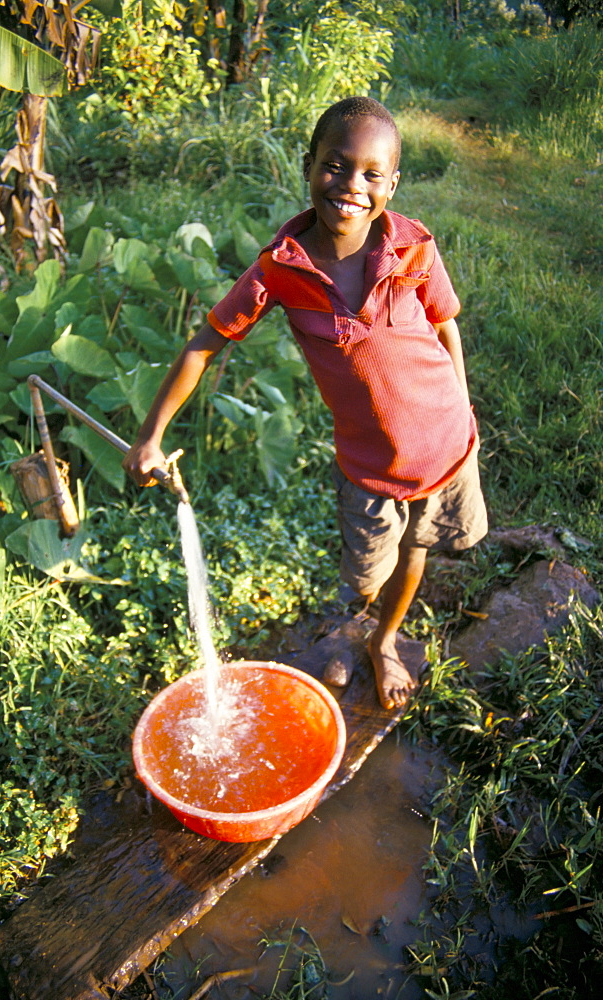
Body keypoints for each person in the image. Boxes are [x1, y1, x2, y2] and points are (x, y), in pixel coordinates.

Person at [122, 96, 488, 711]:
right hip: (369, 468)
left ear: (391, 184)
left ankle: (385, 643)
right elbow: (204, 343)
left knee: (417, 555)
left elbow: (446, 325)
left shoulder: (413, 248)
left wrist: (463, 404)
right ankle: (358, 624)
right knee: (367, 572)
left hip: (446, 447)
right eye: (335, 165)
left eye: (372, 174)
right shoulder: (280, 271)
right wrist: (151, 436)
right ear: (309, 164)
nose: (351, 186)